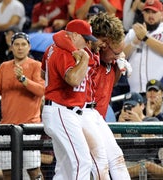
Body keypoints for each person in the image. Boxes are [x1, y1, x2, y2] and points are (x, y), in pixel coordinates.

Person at [51, 14, 131, 179]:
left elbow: (110, 78)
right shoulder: (81, 50)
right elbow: (60, 36)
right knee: (92, 165)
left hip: (91, 114)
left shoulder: (103, 57)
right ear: (104, 43)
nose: (117, 56)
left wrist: (118, 62)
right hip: (75, 112)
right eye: (115, 52)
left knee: (115, 158)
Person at [41, 19, 99, 179]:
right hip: (61, 110)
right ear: (74, 35)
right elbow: (73, 79)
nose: (88, 43)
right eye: (85, 39)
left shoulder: (54, 48)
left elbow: (42, 74)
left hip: (59, 110)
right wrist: (85, 60)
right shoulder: (63, 50)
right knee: (83, 161)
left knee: (64, 167)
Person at [0, 32, 45, 179]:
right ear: (11, 47)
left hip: (29, 126)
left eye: (23, 44)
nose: (20, 48)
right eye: (16, 44)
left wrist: (23, 79)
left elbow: (41, 90)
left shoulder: (37, 66)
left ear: (29, 47)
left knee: (34, 171)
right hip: (7, 126)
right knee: (7, 173)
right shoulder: (4, 67)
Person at [123, 0, 163, 93]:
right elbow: (121, 56)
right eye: (147, 12)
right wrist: (134, 43)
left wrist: (145, 38)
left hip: (161, 93)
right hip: (135, 93)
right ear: (143, 13)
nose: (150, 15)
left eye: (154, 12)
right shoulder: (133, 32)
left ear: (161, 14)